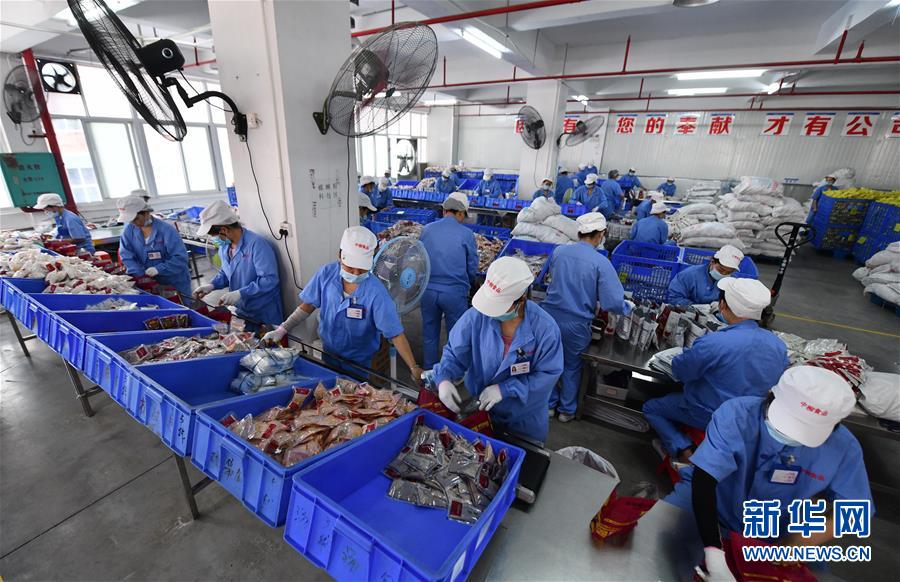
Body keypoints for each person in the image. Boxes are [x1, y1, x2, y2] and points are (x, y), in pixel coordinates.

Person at [664, 366, 872, 582]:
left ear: (834, 426)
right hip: (714, 501)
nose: (789, 436)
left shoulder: (844, 448)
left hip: (776, 525)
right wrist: (714, 553)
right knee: (665, 554)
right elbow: (704, 480)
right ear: (771, 396)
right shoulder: (737, 414)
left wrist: (801, 541)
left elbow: (855, 511)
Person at [643, 277, 788, 465]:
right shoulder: (778, 345)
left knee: (652, 408)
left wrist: (684, 356)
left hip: (708, 412)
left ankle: (684, 452)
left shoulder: (715, 342)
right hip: (750, 417)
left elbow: (681, 371)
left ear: (722, 305)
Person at [263, 226, 423, 381]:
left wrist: (413, 366)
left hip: (359, 363)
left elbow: (395, 333)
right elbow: (307, 306)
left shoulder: (376, 292)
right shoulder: (326, 274)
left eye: (362, 270)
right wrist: (282, 329)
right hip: (329, 353)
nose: (356, 274)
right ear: (340, 256)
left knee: (354, 394)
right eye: (350, 268)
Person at [432, 257, 563, 443]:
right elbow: (455, 352)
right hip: (481, 411)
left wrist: (506, 389)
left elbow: (548, 375)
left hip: (524, 420)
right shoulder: (477, 317)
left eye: (499, 306)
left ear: (521, 299)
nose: (491, 313)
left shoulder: (546, 330)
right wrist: (444, 378)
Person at [542, 213, 633, 422]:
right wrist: (627, 307)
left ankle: (548, 406)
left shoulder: (559, 252)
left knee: (548, 362)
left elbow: (550, 278)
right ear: (600, 234)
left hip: (549, 317)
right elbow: (612, 302)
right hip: (576, 323)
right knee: (571, 367)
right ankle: (566, 411)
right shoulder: (601, 262)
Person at [193, 200, 284, 328]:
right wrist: (212, 285)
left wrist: (240, 293)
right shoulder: (225, 247)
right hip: (242, 310)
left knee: (267, 340)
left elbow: (269, 279)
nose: (213, 239)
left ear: (224, 230)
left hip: (263, 311)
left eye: (213, 235)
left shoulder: (257, 245)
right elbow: (226, 272)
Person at [419, 193, 478, 369]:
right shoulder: (466, 234)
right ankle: (451, 372)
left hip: (428, 291)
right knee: (456, 334)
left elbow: (419, 258)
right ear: (460, 213)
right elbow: (472, 265)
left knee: (430, 332)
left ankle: (429, 371)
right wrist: (470, 284)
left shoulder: (427, 229)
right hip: (454, 292)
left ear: (444, 211)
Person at [117, 195, 191, 298]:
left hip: (173, 282)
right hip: (148, 285)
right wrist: (139, 274)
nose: (133, 223)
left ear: (146, 213)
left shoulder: (166, 230)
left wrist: (158, 269)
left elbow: (180, 258)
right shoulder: (129, 231)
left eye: (136, 219)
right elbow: (126, 256)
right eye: (130, 220)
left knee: (179, 305)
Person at [668, 245, 745, 306]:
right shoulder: (690, 274)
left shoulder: (732, 282)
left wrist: (721, 306)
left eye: (728, 272)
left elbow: (734, 302)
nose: (723, 274)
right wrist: (694, 307)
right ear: (712, 262)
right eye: (721, 270)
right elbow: (674, 297)